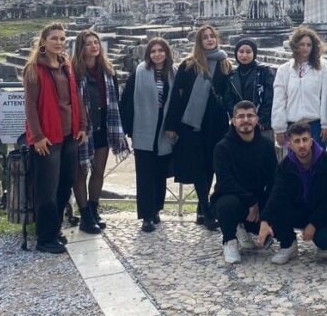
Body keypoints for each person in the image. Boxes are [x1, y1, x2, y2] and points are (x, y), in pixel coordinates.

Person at [23, 22, 88, 254]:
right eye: (54, 38)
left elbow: (75, 98)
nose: (59, 42)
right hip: (47, 137)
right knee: (47, 189)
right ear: (43, 41)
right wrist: (37, 136)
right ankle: (45, 237)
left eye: (62, 39)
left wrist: (81, 124)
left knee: (65, 183)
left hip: (69, 133)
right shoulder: (33, 69)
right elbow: (30, 106)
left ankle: (55, 228)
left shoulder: (66, 66)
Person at [166, 24, 232, 231]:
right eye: (205, 37)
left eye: (212, 36)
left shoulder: (225, 64)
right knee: (198, 168)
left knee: (211, 167)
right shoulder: (189, 65)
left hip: (216, 123)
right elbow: (177, 97)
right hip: (192, 124)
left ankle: (201, 210)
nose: (210, 40)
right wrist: (171, 125)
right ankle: (207, 209)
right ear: (199, 42)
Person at [257, 121, 327, 264]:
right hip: (298, 209)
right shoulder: (285, 166)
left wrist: (314, 223)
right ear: (290, 144)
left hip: (321, 211)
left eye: (305, 140)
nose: (302, 145)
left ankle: (324, 244)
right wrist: (265, 220)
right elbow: (277, 194)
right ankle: (288, 245)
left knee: (324, 240)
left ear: (311, 141)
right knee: (275, 208)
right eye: (297, 141)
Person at [72, 30, 129, 235]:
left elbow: (115, 100)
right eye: (88, 44)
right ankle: (84, 214)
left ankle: (94, 209)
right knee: (80, 172)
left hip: (104, 125)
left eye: (96, 43)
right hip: (83, 128)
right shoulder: (74, 71)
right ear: (81, 47)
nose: (94, 46)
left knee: (98, 171)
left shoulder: (107, 70)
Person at [119, 37, 175, 233]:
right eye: (153, 51)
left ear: (166, 53)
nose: (157, 54)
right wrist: (128, 127)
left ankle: (157, 209)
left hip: (164, 127)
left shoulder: (173, 73)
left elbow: (177, 100)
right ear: (148, 54)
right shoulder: (140, 72)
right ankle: (146, 215)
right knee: (145, 174)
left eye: (161, 50)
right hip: (143, 127)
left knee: (160, 173)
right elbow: (126, 98)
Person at [212, 100, 278, 264]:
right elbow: (225, 181)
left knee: (278, 227)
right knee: (227, 205)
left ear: (256, 119)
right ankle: (229, 240)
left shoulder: (267, 146)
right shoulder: (222, 148)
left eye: (250, 115)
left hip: (258, 198)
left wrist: (266, 216)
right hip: (232, 196)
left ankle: (246, 227)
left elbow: (274, 180)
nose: (246, 120)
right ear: (233, 121)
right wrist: (251, 201)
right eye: (241, 116)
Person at [272, 27, 327, 147]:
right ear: (295, 46)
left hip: (315, 125)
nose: (305, 48)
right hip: (292, 125)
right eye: (302, 44)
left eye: (308, 45)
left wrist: (326, 124)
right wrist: (279, 127)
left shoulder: (322, 69)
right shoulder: (284, 70)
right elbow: (279, 101)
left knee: (317, 163)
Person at [226, 38, 276, 143]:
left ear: (254, 53)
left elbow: (269, 98)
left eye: (248, 52)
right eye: (241, 52)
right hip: (240, 124)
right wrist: (236, 118)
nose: (244, 55)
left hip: (261, 124)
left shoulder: (264, 72)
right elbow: (228, 99)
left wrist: (260, 120)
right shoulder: (231, 75)